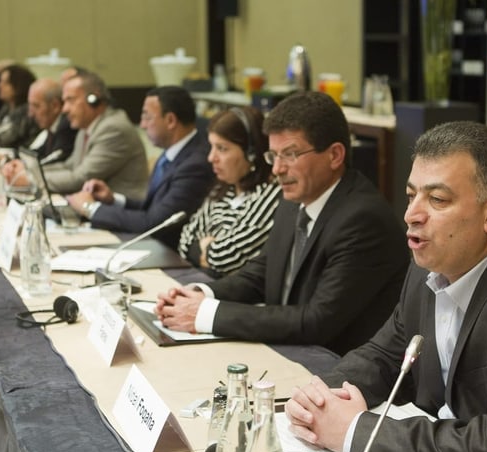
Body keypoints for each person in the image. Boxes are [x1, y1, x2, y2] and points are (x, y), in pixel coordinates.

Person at [284, 121, 487, 452]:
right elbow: (384, 356)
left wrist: (354, 430)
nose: (411, 215)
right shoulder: (427, 269)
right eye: (410, 194)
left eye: (437, 199)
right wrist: (319, 401)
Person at [154, 91, 408, 355]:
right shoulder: (293, 200)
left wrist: (206, 315)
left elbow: (316, 321)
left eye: (289, 154)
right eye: (273, 156)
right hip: (290, 352)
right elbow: (261, 274)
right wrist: (200, 295)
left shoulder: (362, 219)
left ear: (334, 155)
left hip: (338, 369)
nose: (277, 169)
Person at [65, 85, 213, 248]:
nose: (142, 125)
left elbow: (155, 224)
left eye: (147, 117)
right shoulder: (171, 153)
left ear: (170, 120)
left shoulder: (195, 165)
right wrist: (113, 199)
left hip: (172, 254)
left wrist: (90, 208)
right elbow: (154, 209)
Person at [4, 71, 148, 198]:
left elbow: (80, 179)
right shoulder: (86, 127)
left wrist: (30, 179)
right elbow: (69, 166)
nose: (64, 109)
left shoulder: (113, 129)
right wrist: (28, 170)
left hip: (123, 217)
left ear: (93, 99)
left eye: (70, 100)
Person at [177, 106, 281, 277]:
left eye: (222, 149)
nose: (211, 158)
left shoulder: (271, 194)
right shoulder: (223, 188)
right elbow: (185, 242)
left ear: (251, 153)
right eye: (211, 147)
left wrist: (205, 248)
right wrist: (210, 248)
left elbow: (225, 258)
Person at [0, 64, 39, 148]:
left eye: (5, 83)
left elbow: (0, 140)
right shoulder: (7, 108)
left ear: (18, 86)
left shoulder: (25, 111)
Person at [26, 77, 77, 163]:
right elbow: (39, 153)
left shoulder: (66, 128)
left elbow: (51, 161)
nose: (31, 114)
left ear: (55, 106)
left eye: (36, 106)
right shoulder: (53, 126)